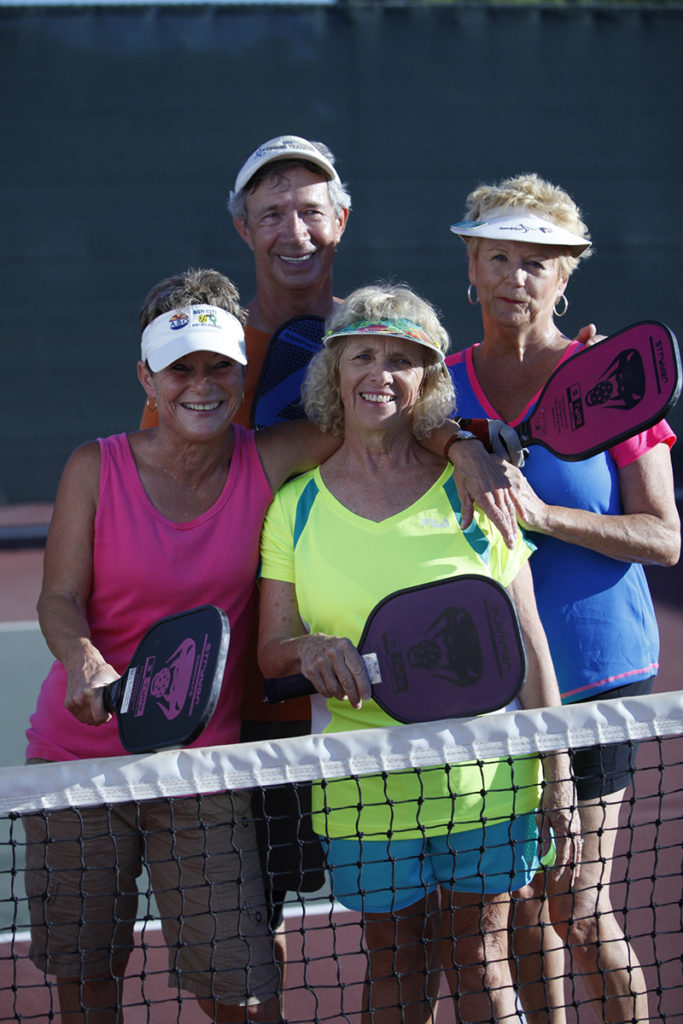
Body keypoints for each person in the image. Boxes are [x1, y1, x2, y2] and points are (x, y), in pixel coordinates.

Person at [138, 136, 519, 959]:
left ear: (341, 220)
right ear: (243, 229)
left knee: (457, 944)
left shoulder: (372, 334)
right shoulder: (208, 354)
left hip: (364, 713)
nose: (293, 230)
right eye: (271, 212)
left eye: (311, 210)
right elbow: (167, 481)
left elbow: (420, 416)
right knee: (254, 933)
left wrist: (456, 444)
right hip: (242, 704)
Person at [23, 267, 346, 1024]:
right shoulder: (92, 466)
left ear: (240, 372)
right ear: (147, 376)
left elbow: (382, 413)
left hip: (204, 771)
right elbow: (58, 598)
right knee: (88, 988)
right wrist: (84, 658)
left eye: (218, 368)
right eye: (180, 370)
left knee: (241, 992)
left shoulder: (267, 458)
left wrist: (459, 444)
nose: (200, 386)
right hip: (79, 765)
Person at [257, 283, 581, 1024]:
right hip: (361, 790)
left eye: (402, 360)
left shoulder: (479, 490)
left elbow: (528, 648)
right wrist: (308, 647)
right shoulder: (294, 504)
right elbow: (271, 653)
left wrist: (556, 778)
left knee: (479, 958)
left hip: (486, 782)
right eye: (363, 355)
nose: (380, 373)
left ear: (429, 379)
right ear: (334, 371)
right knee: (394, 962)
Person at [446, 173, 680, 1024]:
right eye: (497, 256)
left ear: (566, 275)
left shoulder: (605, 381)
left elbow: (664, 537)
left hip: (597, 674)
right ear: (469, 266)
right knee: (512, 898)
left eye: (536, 261)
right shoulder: (435, 389)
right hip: (485, 682)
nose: (514, 276)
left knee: (578, 904)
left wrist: (543, 515)